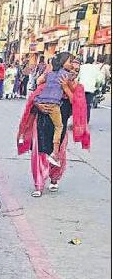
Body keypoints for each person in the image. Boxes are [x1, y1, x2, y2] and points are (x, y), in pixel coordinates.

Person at [17, 52, 89, 196]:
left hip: (59, 122)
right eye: (70, 67)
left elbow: (78, 105)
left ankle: (54, 179)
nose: (73, 72)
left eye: (76, 71)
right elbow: (34, 97)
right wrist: (39, 105)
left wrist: (66, 88)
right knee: (40, 152)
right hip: (42, 121)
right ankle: (38, 184)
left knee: (59, 153)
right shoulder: (48, 81)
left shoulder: (76, 86)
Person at [77, 55, 102, 121]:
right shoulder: (96, 68)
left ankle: (79, 118)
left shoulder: (82, 67)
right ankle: (86, 120)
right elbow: (99, 79)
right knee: (87, 105)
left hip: (81, 88)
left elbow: (78, 78)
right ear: (93, 61)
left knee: (80, 104)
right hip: (90, 89)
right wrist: (97, 86)